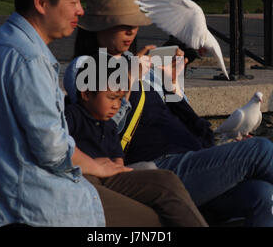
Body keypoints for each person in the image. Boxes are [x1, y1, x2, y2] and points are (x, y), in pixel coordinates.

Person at [67, 0, 273, 227]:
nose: (131, 30)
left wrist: (173, 87)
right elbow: (101, 126)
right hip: (157, 169)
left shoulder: (138, 63)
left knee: (264, 195)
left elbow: (181, 120)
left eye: (135, 23)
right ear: (98, 26)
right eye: (121, 23)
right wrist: (129, 79)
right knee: (261, 149)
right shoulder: (87, 66)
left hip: (193, 161)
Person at [0, 0, 160, 227]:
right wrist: (97, 166)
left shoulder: (3, 40)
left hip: (12, 188)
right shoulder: (29, 59)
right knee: (149, 222)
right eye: (74, 0)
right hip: (33, 201)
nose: (80, 10)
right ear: (41, 2)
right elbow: (52, 151)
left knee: (158, 193)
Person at [64, 52, 207, 227]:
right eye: (111, 98)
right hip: (86, 176)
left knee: (161, 176)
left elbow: (117, 153)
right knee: (157, 208)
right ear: (86, 94)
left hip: (110, 175)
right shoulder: (73, 115)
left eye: (120, 98)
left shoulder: (107, 122)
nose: (117, 105)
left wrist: (118, 167)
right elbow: (61, 146)